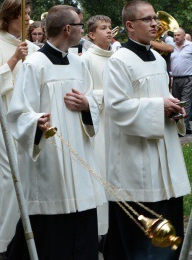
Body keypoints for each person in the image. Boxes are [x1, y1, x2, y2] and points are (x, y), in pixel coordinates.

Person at [6, 5, 105, 259]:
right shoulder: (34, 65)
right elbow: (18, 113)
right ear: (68, 28)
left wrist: (86, 106)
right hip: (49, 155)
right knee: (51, 232)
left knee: (82, 220)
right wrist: (35, 122)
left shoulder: (78, 63)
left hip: (78, 152)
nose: (83, 30)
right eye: (81, 26)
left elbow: (91, 98)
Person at [103, 0, 190, 259]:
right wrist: (158, 106)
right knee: (141, 231)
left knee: (169, 220)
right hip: (136, 156)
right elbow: (116, 107)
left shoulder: (157, 58)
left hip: (164, 151)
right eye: (147, 19)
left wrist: (175, 110)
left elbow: (162, 97)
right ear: (130, 25)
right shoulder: (119, 61)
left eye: (155, 18)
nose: (155, 23)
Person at [0, 0, 39, 254]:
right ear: (10, 17)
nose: (28, 19)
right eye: (24, 15)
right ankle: (7, 239)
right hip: (2, 117)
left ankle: (30, 235)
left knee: (31, 176)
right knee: (9, 178)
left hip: (30, 117)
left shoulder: (34, 48)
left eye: (28, 14)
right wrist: (14, 58)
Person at [81, 14, 114, 236]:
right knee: (100, 173)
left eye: (110, 27)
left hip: (116, 123)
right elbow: (85, 95)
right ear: (91, 35)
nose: (109, 31)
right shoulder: (86, 60)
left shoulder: (117, 57)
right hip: (98, 125)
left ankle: (114, 226)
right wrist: (110, 96)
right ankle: (99, 229)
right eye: (103, 28)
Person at [169, 28, 192, 135]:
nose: (176, 37)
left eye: (178, 35)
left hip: (188, 78)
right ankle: (186, 127)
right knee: (177, 103)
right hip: (175, 79)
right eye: (175, 35)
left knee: (185, 103)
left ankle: (181, 130)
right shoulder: (171, 47)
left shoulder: (191, 46)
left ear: (184, 36)